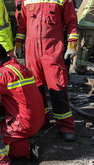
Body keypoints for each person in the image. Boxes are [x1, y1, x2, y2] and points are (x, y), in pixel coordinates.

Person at [15, 0, 78, 141]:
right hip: (31, 51)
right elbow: (22, 23)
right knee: (35, 88)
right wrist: (19, 43)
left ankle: (66, 126)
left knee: (58, 87)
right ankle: (41, 120)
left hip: (53, 50)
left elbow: (71, 21)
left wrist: (72, 45)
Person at [71, 0, 94, 74]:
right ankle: (81, 69)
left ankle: (75, 67)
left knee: (79, 45)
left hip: (80, 21)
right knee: (85, 47)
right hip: (88, 24)